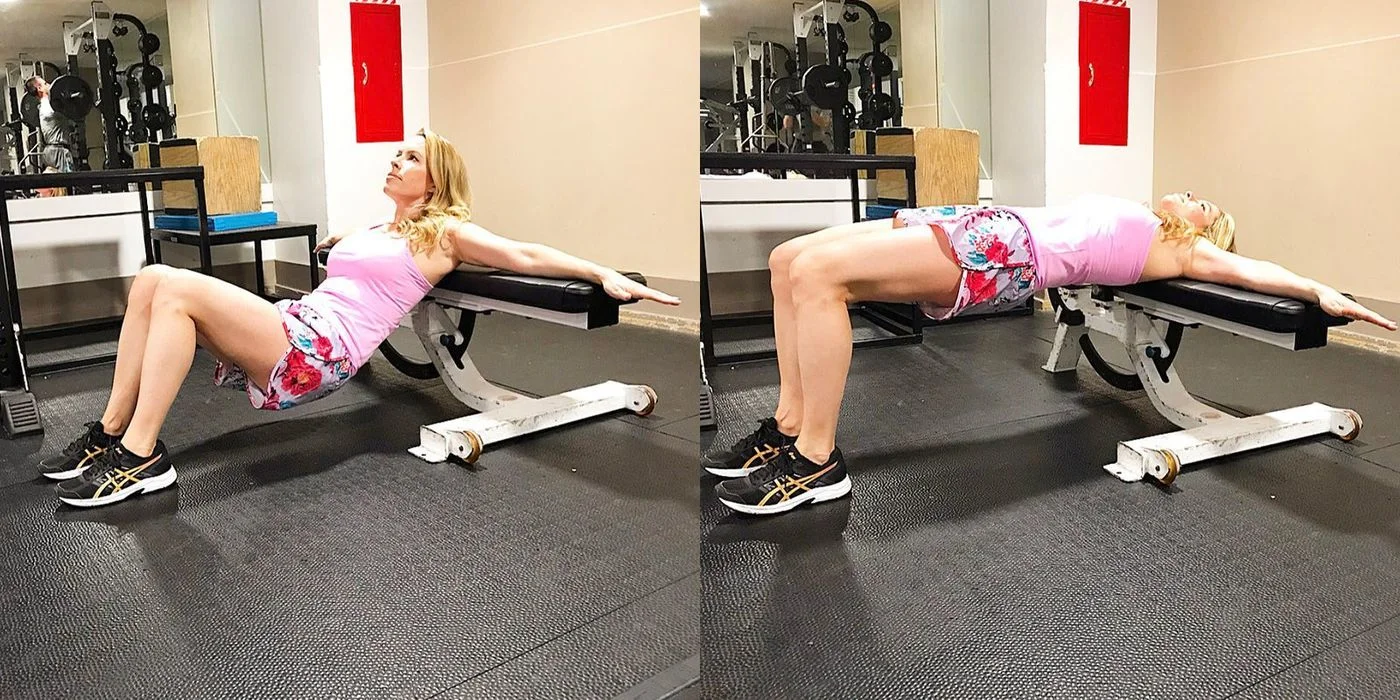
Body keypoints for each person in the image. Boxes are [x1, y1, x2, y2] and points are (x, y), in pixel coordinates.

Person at [40, 128, 681, 508]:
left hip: (321, 352)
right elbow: (365, 264)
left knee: (175, 288)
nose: (395, 161)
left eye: (410, 158)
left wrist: (602, 272)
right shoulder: (377, 227)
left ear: (435, 182)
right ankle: (111, 431)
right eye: (396, 154)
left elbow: (525, 254)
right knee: (152, 279)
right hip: (297, 323)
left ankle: (142, 458)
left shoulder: (445, 233)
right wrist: (350, 242)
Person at [704, 192, 1398, 516]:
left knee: (820, 276)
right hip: (983, 221)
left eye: (1205, 204)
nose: (1194, 194)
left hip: (1006, 252)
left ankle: (816, 460)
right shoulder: (1144, 214)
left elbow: (1254, 271)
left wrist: (1320, 290)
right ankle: (787, 426)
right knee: (788, 258)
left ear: (1205, 231)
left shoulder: (1188, 247)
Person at [24, 76, 75, 175]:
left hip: (49, 151)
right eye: (45, 83)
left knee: (56, 182)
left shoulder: (42, 106)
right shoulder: (49, 106)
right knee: (68, 181)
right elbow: (69, 111)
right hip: (58, 151)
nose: (49, 84)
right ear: (39, 88)